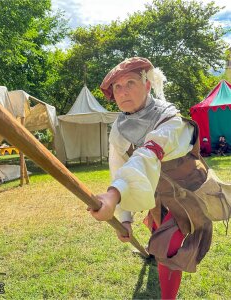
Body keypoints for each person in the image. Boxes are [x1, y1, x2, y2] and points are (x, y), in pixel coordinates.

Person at [88, 57, 212, 299]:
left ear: (147, 85)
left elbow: (149, 152)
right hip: (156, 193)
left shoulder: (170, 118)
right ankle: (154, 234)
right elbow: (118, 166)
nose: (123, 92)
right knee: (158, 230)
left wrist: (113, 195)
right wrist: (125, 220)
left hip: (187, 192)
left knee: (168, 246)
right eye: (117, 87)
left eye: (130, 83)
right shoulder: (119, 128)